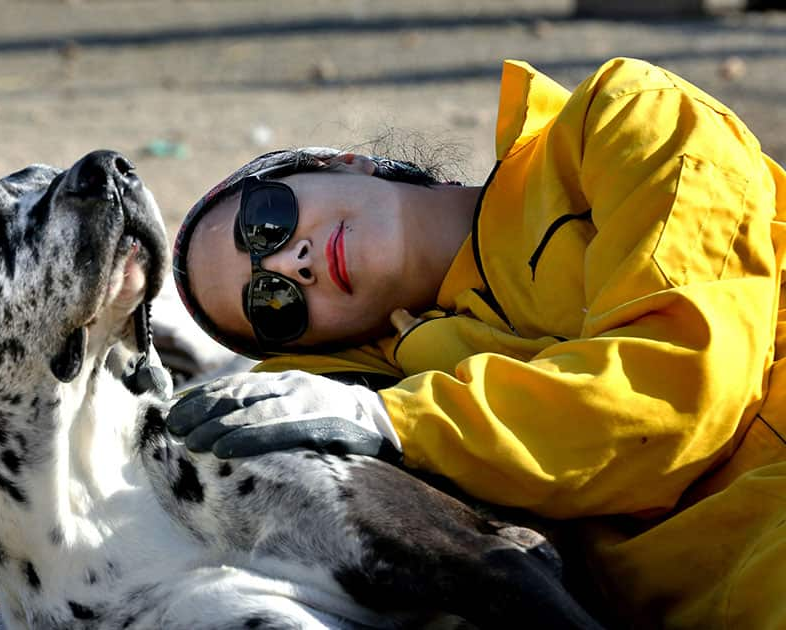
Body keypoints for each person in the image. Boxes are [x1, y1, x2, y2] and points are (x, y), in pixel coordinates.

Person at [167, 57, 786, 629]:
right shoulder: (379, 413)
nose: (291, 264)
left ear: (340, 163)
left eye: (266, 222)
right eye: (272, 306)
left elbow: (679, 390)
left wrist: (394, 418)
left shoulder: (624, 116)